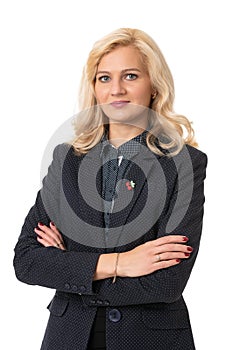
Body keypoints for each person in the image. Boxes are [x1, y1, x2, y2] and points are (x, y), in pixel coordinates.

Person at [13, 28, 207, 350]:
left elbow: (167, 282)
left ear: (154, 86)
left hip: (148, 340)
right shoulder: (67, 160)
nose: (116, 89)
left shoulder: (183, 163)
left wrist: (72, 268)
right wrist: (120, 263)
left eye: (130, 75)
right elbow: (28, 260)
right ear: (94, 88)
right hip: (68, 338)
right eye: (104, 78)